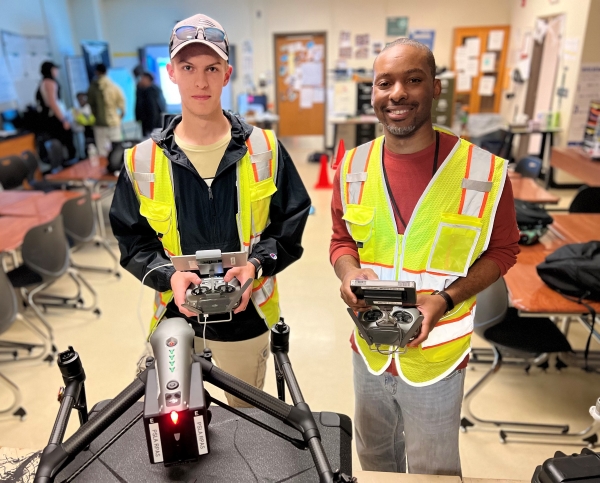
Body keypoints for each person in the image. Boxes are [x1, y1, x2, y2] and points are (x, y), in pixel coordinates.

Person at [330, 38, 520, 475]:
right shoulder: (352, 167)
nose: (397, 93)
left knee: (433, 470)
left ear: (435, 88)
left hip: (438, 355)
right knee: (374, 461)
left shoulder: (483, 173)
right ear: (373, 94)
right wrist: (348, 273)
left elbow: (505, 249)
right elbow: (341, 239)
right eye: (385, 83)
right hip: (370, 348)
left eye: (413, 80)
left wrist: (445, 299)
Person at [109, 13, 311, 407]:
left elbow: (290, 224)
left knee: (246, 422)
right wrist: (170, 278)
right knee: (178, 427)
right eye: (188, 67)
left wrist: (255, 266)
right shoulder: (142, 160)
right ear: (171, 72)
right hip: (174, 315)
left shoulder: (265, 149)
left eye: (211, 68)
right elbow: (132, 241)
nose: (200, 81)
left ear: (227, 73)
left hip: (247, 314)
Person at [36, 61, 77, 162]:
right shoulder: (50, 83)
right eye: (55, 69)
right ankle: (69, 162)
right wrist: (63, 120)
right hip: (55, 117)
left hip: (49, 117)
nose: (57, 71)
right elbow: (53, 103)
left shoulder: (43, 82)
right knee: (66, 140)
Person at [87, 63, 125, 157]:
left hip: (100, 124)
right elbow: (122, 106)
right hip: (114, 122)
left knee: (102, 153)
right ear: (106, 72)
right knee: (117, 151)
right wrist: (119, 117)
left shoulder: (92, 88)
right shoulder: (114, 87)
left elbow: (90, 105)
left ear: (97, 72)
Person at [135, 72, 167, 136]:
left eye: (142, 78)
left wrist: (151, 128)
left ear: (148, 79)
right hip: (156, 125)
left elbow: (153, 110)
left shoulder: (150, 92)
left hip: (152, 126)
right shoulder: (153, 90)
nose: (141, 80)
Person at [71, 92, 96, 159]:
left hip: (93, 133)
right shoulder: (77, 110)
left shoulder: (90, 108)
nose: (80, 101)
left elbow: (90, 121)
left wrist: (79, 117)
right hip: (84, 135)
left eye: (82, 98)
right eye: (78, 99)